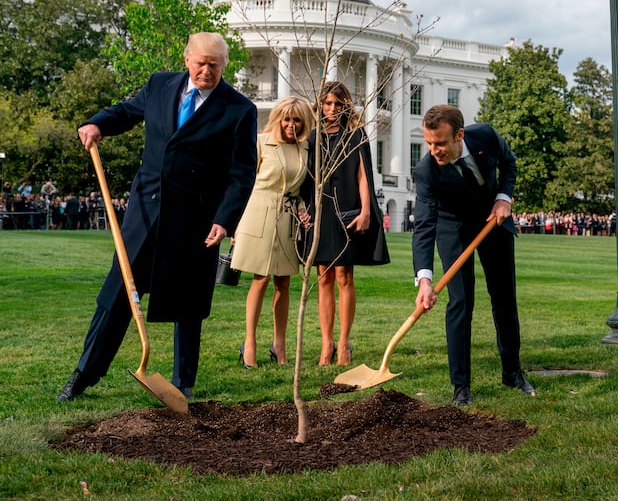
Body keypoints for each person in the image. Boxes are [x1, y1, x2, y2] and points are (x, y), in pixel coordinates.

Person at [57, 32, 257, 402]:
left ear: (225, 66)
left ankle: (183, 383)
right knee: (116, 295)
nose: (206, 71)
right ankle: (84, 373)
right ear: (187, 59)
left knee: (188, 302)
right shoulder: (159, 85)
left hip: (196, 221)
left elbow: (242, 173)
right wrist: (98, 123)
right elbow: (126, 111)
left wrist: (224, 218)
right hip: (145, 212)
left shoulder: (239, 109)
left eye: (215, 64)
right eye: (200, 63)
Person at [413, 104, 534, 406]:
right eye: (429, 143)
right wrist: (424, 279)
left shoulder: (486, 137)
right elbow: (425, 226)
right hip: (453, 229)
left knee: (504, 298)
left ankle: (512, 372)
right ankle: (461, 386)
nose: (433, 150)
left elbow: (509, 164)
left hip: (493, 221)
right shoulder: (426, 171)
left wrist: (503, 198)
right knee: (461, 302)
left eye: (440, 143)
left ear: (460, 135)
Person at [300, 81, 389, 366]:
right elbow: (304, 178)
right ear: (320, 105)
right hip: (320, 210)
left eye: (338, 104)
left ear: (346, 106)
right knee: (323, 276)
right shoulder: (312, 137)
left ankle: (345, 342)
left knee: (344, 276)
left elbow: (364, 175)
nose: (332, 109)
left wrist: (365, 211)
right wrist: (304, 209)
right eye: (327, 103)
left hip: (348, 209)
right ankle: (327, 345)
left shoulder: (356, 136)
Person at [231, 96, 313, 368]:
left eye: (297, 119)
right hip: (258, 214)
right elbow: (243, 183)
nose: (291, 124)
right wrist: (233, 222)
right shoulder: (260, 142)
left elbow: (300, 189)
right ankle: (250, 342)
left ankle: (279, 344)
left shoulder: (305, 148)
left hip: (288, 219)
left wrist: (302, 210)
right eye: (287, 119)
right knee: (260, 278)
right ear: (278, 118)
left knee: (284, 282)